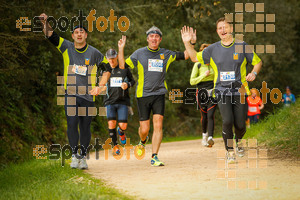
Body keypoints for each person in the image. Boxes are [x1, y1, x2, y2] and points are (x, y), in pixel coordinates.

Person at [181, 17, 263, 163]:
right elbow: (194, 58)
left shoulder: (242, 46)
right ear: (217, 31)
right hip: (221, 90)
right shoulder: (212, 49)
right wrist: (188, 43)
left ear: (231, 28)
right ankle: (230, 152)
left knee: (240, 125)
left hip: (240, 91)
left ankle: (238, 142)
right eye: (220, 28)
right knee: (227, 121)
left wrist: (254, 73)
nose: (223, 30)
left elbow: (257, 62)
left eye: (225, 27)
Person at [39, 13, 112, 169]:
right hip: (70, 93)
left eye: (82, 32)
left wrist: (100, 86)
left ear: (86, 35)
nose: (79, 34)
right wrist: (45, 22)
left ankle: (83, 158)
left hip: (87, 96)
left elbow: (107, 69)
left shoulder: (94, 53)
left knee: (85, 127)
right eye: (76, 32)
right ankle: (74, 156)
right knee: (72, 123)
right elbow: (51, 36)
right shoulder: (66, 47)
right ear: (72, 35)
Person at [125, 26, 190, 166]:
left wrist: (189, 42)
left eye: (157, 36)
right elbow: (123, 66)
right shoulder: (139, 53)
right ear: (147, 39)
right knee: (144, 129)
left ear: (160, 39)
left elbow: (187, 55)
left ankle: (154, 156)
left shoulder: (166, 54)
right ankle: (142, 141)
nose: (154, 38)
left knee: (158, 124)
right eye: (151, 36)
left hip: (159, 94)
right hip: (143, 95)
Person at [102, 36, 136, 155]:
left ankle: (121, 132)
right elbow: (100, 83)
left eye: (113, 58)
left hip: (123, 101)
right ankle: (115, 145)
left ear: (117, 57)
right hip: (109, 101)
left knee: (123, 125)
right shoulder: (105, 69)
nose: (111, 61)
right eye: (109, 59)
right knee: (111, 122)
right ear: (107, 59)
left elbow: (133, 81)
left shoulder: (124, 67)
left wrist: (127, 85)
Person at [190, 44, 217, 147]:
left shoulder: (215, 64)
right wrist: (203, 75)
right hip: (201, 92)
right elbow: (192, 81)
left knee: (211, 114)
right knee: (204, 116)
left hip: (213, 92)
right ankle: (204, 137)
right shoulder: (198, 64)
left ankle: (210, 137)